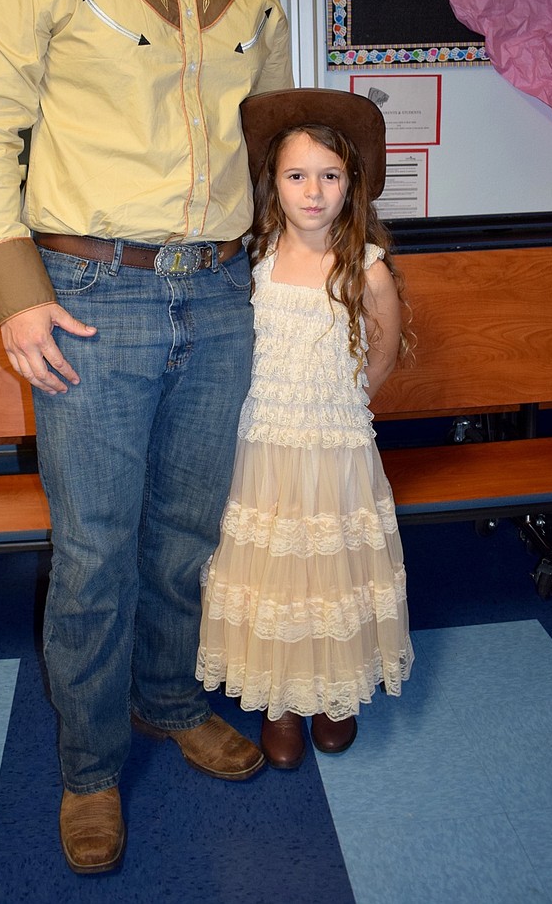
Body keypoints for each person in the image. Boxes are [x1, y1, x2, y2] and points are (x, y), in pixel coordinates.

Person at [0, 0, 306, 874]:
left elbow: (277, 143)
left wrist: (307, 264)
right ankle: (89, 766)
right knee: (95, 550)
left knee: (190, 537)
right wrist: (14, 291)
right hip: (89, 293)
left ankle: (167, 698)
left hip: (223, 291)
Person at [197, 88, 415, 769]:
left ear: (352, 184)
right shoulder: (254, 259)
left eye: (329, 176)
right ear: (274, 182)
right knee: (275, 572)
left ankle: (334, 693)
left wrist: (339, 409)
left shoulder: (366, 268)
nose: (313, 192)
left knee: (332, 569)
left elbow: (382, 353)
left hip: (336, 447)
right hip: (264, 444)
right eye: (297, 175)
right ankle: (280, 700)